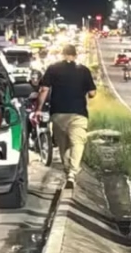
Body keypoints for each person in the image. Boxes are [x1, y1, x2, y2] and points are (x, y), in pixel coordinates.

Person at [35, 44, 96, 188]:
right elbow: (92, 93)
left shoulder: (53, 68)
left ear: (62, 54)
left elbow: (44, 89)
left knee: (63, 145)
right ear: (75, 55)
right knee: (78, 142)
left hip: (58, 113)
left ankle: (68, 169)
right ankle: (72, 173)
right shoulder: (84, 70)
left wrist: (38, 109)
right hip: (79, 113)